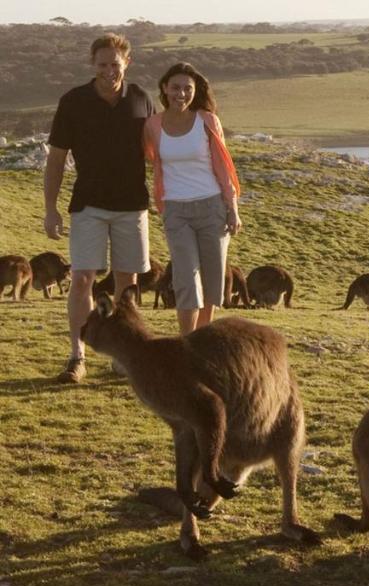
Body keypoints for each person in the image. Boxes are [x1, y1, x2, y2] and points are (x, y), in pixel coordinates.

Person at [44, 33, 154, 383]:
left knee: (127, 283)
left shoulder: (141, 99)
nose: (109, 71)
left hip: (132, 206)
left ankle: (123, 357)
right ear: (93, 65)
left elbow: (159, 151)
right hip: (87, 205)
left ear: (128, 63)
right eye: (102, 64)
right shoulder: (73, 101)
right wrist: (51, 208)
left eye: (115, 64)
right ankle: (77, 357)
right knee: (82, 280)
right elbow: (57, 160)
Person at [143, 62, 242, 335]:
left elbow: (223, 166)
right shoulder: (153, 124)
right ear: (164, 88)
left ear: (195, 91)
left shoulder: (207, 121)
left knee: (212, 279)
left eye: (188, 88)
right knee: (186, 277)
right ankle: (187, 343)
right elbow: (152, 157)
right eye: (175, 88)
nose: (181, 94)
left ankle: (201, 340)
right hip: (176, 210)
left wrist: (232, 208)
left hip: (212, 207)